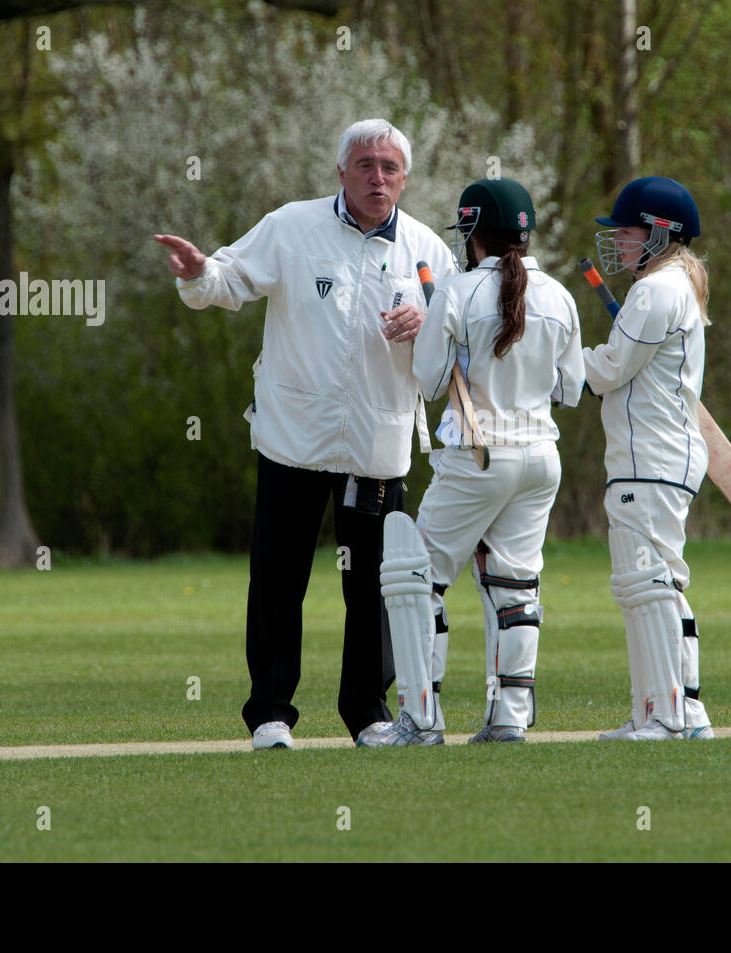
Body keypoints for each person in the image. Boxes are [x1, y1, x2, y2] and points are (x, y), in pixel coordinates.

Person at [153, 119, 457, 749]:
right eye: (366, 165)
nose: (378, 178)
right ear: (341, 172)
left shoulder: (428, 250)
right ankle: (269, 713)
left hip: (377, 444)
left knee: (374, 584)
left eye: (390, 168)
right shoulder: (293, 226)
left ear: (405, 178)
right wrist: (195, 271)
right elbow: (227, 280)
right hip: (294, 437)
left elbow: (455, 343)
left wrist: (428, 320)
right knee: (278, 578)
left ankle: (368, 714)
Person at [360, 178, 584, 745]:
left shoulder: (458, 291)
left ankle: (419, 720)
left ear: (475, 233)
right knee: (515, 588)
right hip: (541, 458)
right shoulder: (560, 295)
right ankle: (508, 719)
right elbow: (571, 390)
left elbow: (434, 382)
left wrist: (440, 337)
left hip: (477, 455)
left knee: (415, 577)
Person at [582, 176, 715, 741]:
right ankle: (675, 712)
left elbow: (611, 369)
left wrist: (554, 363)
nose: (619, 242)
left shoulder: (655, 290)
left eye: (629, 231)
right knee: (656, 582)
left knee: (649, 583)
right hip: (661, 458)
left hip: (650, 458)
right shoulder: (674, 286)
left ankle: (664, 716)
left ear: (661, 233)